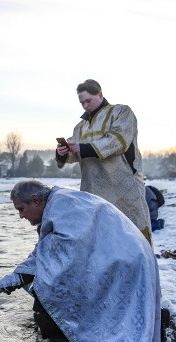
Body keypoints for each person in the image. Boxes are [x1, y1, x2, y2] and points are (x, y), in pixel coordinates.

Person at [0, 180, 168, 342]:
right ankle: (152, 323)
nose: (21, 216)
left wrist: (9, 286)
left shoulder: (62, 209)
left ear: (35, 200)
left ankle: (78, 336)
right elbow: (43, 256)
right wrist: (1, 285)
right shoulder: (60, 202)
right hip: (125, 256)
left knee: (50, 292)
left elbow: (47, 263)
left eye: (21, 209)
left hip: (124, 262)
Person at [56, 79, 152, 244]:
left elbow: (119, 141)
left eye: (88, 100)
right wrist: (63, 152)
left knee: (132, 235)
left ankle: (142, 268)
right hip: (92, 190)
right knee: (100, 239)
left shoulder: (121, 112)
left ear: (100, 94)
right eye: (81, 103)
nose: (85, 106)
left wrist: (84, 148)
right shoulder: (80, 127)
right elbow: (74, 153)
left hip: (123, 187)